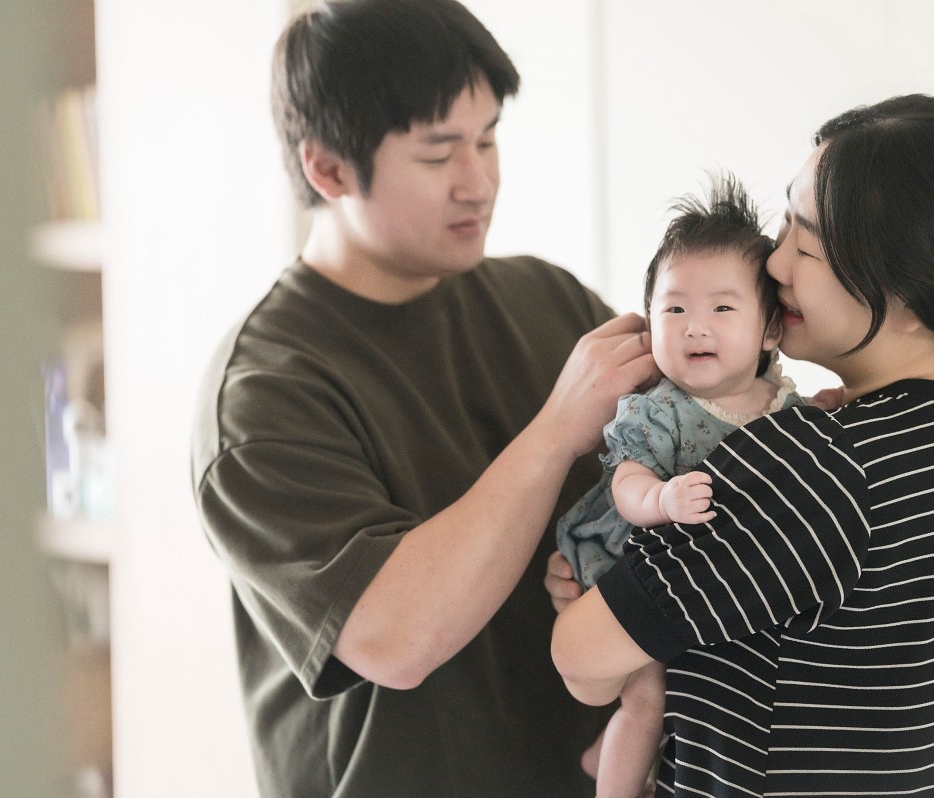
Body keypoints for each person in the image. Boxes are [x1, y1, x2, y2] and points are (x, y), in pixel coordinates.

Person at [550, 94, 934, 797]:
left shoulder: (816, 467)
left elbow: (580, 658)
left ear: (911, 295)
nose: (773, 264)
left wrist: (587, 594)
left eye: (805, 245)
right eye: (784, 226)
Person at [189, 1, 657, 796]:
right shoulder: (263, 392)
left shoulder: (547, 298)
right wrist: (554, 433)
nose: (479, 182)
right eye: (439, 153)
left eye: (488, 138)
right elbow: (394, 638)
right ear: (329, 170)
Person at [555, 176, 832, 797]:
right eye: (674, 309)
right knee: (648, 698)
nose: (694, 328)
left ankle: (606, 755)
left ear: (770, 330)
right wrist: (659, 499)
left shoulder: (780, 401)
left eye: (722, 309)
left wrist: (829, 406)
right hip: (631, 559)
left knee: (696, 690)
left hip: (705, 582)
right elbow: (626, 482)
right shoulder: (658, 411)